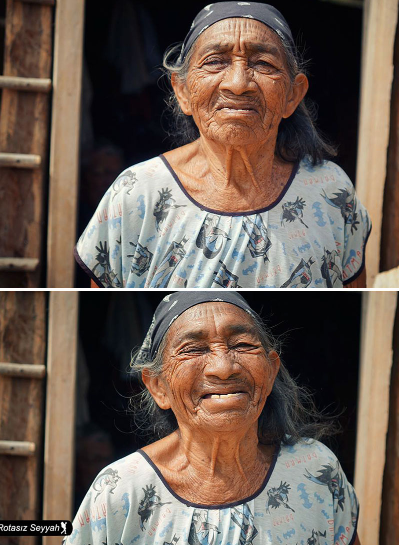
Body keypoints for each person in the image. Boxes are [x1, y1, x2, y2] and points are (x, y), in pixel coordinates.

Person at [74, 2, 371, 289]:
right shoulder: (136, 193)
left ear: (293, 95)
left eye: (263, 64)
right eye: (215, 62)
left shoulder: (331, 191)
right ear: (183, 91)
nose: (238, 83)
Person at [67, 292, 361, 545]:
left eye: (242, 345)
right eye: (193, 349)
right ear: (158, 387)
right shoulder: (119, 491)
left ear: (271, 372)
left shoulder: (316, 472)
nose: (223, 368)